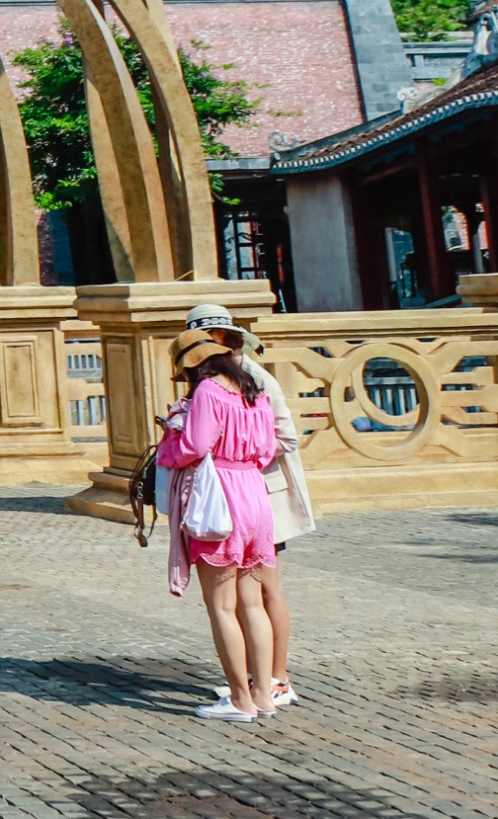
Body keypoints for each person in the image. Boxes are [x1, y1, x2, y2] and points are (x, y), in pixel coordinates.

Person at [188, 300, 310, 712]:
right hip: (251, 491)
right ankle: (260, 684)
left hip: (254, 492)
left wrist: (236, 458)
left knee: (262, 593)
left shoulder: (245, 380)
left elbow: (285, 437)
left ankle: (275, 680)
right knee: (250, 596)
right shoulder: (227, 378)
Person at [156, 329, 282, 722]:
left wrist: (169, 441)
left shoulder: (208, 391)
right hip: (254, 492)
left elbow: (194, 447)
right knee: (252, 603)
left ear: (193, 367)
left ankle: (240, 700)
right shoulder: (253, 391)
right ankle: (264, 696)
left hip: (220, 496)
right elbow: (267, 450)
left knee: (222, 607)